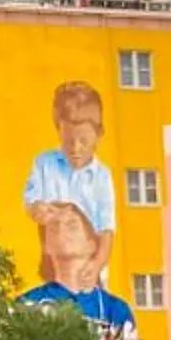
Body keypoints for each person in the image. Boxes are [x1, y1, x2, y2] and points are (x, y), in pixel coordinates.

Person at [19, 200, 147, 340]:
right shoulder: (27, 305)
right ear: (45, 245)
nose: (62, 231)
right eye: (54, 227)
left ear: (92, 243)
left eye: (72, 225)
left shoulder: (116, 310)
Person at [24, 81, 115, 288]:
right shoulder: (45, 164)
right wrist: (37, 209)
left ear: (99, 134)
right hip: (54, 265)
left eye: (84, 141)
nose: (75, 148)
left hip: (90, 270)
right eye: (68, 141)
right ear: (59, 131)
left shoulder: (101, 177)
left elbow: (107, 229)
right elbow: (31, 202)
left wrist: (97, 263)